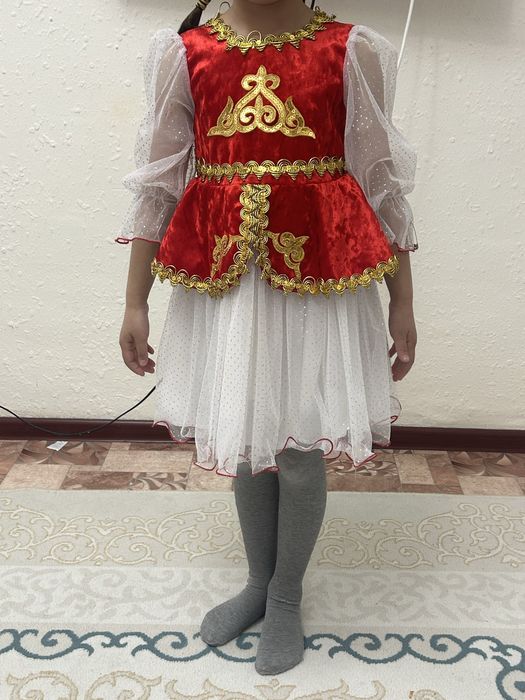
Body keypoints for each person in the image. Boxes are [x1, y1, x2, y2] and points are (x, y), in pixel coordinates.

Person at [116, 0, 418, 676]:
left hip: (320, 279)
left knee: (299, 449)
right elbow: (158, 184)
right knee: (249, 440)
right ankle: (258, 581)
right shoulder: (186, 54)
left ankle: (285, 595)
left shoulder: (350, 50)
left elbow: (381, 184)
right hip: (226, 284)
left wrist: (402, 301)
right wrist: (134, 300)